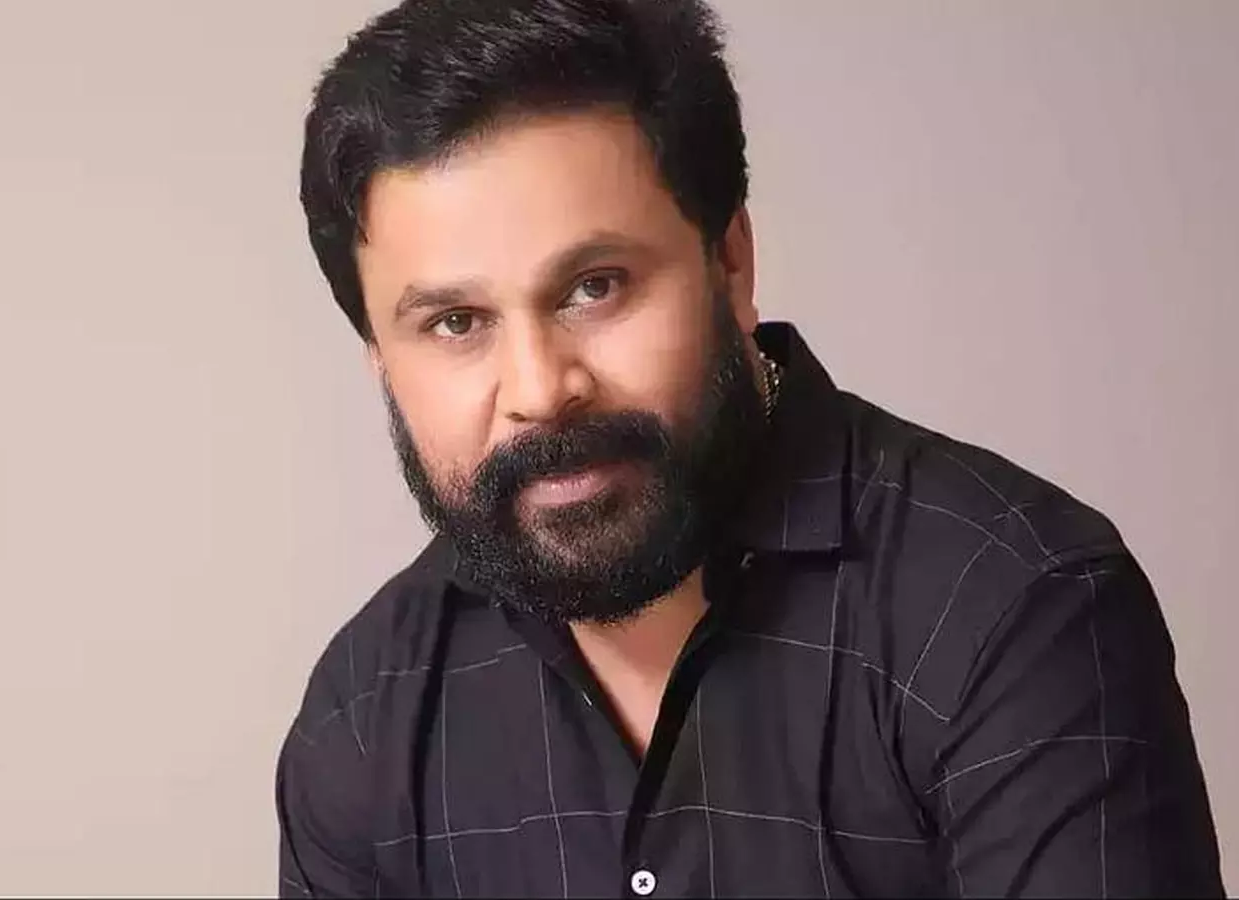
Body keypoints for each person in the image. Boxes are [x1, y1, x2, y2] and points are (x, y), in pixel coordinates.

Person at [276, 1, 1224, 896]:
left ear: (730, 262)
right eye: (455, 323)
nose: (539, 389)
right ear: (379, 358)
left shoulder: (1010, 607)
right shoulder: (368, 709)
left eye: (596, 286)